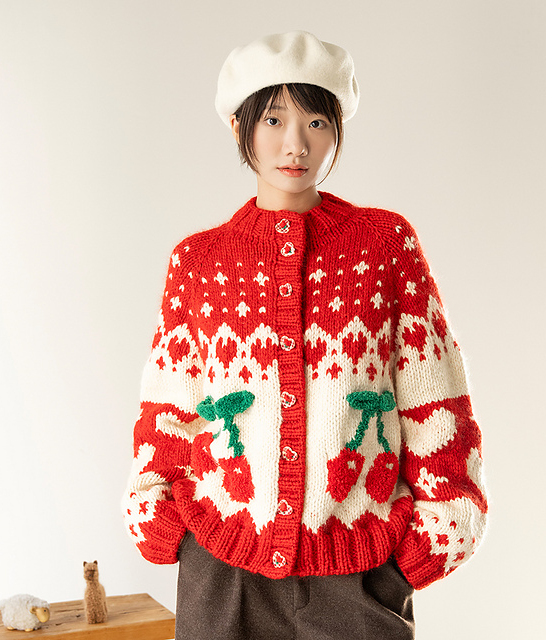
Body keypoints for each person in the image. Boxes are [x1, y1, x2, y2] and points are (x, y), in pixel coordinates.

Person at [122, 31, 487, 640]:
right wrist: (160, 517)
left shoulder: (384, 246)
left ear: (337, 129)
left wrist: (431, 537)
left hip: (359, 567)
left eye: (316, 122)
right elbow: (168, 407)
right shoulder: (199, 262)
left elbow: (436, 399)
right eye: (273, 120)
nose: (295, 144)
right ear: (239, 127)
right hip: (222, 568)